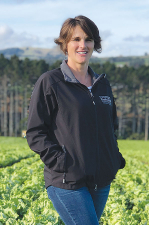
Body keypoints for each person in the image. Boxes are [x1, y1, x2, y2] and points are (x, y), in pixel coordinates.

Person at [26, 15, 126, 225]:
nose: (83, 45)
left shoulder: (102, 85)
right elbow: (35, 132)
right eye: (76, 39)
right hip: (67, 181)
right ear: (65, 44)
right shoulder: (51, 82)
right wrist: (61, 162)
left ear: (94, 44)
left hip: (101, 180)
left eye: (88, 39)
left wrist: (113, 158)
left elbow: (111, 127)